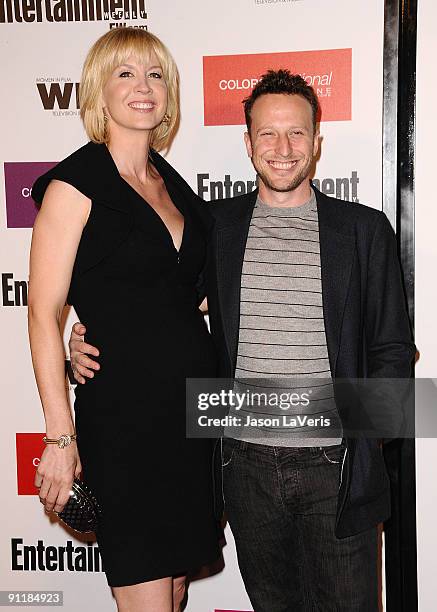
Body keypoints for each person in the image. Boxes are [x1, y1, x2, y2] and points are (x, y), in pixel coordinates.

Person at [69, 70, 415, 611]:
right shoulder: (215, 227)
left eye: (297, 133)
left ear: (317, 141)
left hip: (337, 471)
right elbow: (155, 305)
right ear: (247, 143)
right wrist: (86, 336)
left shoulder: (364, 231)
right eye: (268, 134)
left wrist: (365, 441)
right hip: (244, 471)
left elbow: (394, 351)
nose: (283, 149)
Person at [28, 28, 220, 612]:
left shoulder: (174, 186)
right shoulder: (74, 185)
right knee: (145, 592)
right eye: (126, 74)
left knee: (177, 587)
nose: (144, 87)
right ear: (98, 92)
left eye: (156, 74)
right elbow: (42, 313)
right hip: (125, 422)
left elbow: (191, 296)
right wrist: (61, 438)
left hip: (190, 420)